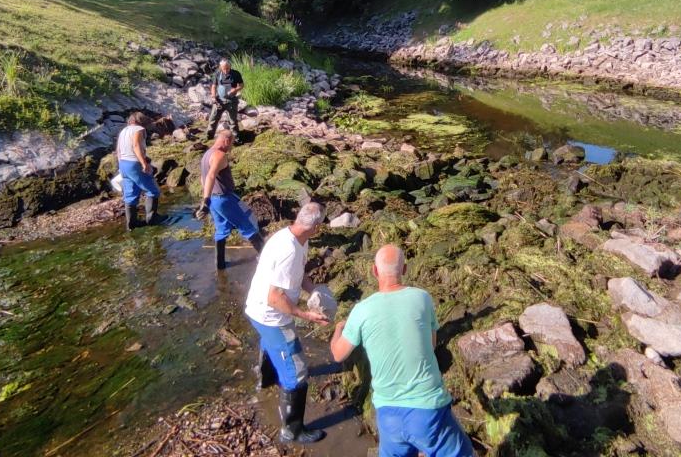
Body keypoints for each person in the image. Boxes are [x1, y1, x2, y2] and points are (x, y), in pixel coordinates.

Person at [330, 245, 473, 457]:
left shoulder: (361, 310)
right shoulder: (422, 298)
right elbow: (431, 345)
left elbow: (338, 354)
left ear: (375, 271)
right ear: (405, 269)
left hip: (388, 416)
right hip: (429, 410)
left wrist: (337, 330)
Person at [245, 202, 330, 444]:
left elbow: (299, 274)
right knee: (297, 370)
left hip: (257, 310)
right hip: (270, 316)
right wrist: (305, 314)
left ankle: (266, 378)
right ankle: (292, 430)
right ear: (315, 226)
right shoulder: (288, 251)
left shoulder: (295, 237)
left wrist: (313, 290)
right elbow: (274, 298)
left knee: (271, 346)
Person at [196, 129, 264, 269]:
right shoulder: (220, 155)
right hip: (224, 199)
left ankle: (220, 265)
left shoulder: (206, 155)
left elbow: (203, 178)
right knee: (248, 225)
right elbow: (210, 176)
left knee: (221, 230)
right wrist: (206, 200)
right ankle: (268, 261)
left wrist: (207, 198)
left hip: (215, 201)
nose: (231, 147)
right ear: (226, 140)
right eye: (232, 143)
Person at [116, 112, 161, 230]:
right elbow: (136, 145)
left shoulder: (123, 131)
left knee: (130, 195)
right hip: (134, 163)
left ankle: (131, 224)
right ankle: (152, 219)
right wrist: (143, 163)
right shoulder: (139, 129)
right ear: (141, 121)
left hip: (123, 164)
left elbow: (118, 150)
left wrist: (121, 166)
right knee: (152, 190)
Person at [206, 59, 243, 140]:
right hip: (219, 101)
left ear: (230, 67)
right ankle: (209, 136)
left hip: (232, 101)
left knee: (233, 121)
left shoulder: (236, 74)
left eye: (228, 68)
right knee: (213, 119)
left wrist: (236, 89)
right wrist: (213, 96)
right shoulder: (217, 74)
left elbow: (241, 85)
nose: (226, 71)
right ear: (220, 67)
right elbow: (214, 86)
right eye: (224, 69)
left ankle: (236, 138)